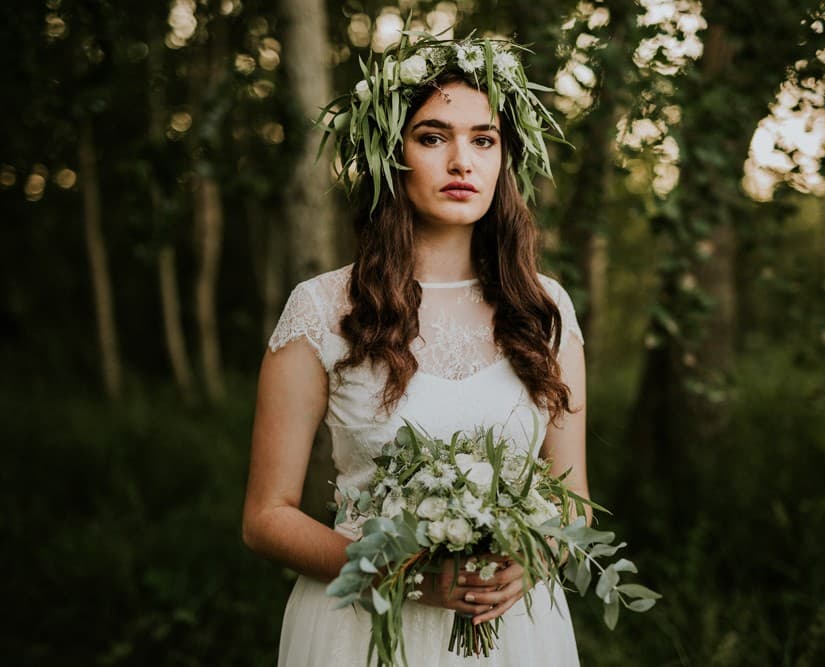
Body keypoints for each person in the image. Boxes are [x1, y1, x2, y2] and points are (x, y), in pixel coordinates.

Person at [242, 33, 587, 666]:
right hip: (360, 631)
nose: (462, 161)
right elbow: (266, 516)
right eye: (432, 137)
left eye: (483, 140)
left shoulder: (546, 309)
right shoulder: (321, 308)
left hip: (514, 634)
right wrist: (393, 567)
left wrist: (535, 555)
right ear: (390, 156)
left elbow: (572, 508)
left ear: (503, 158)